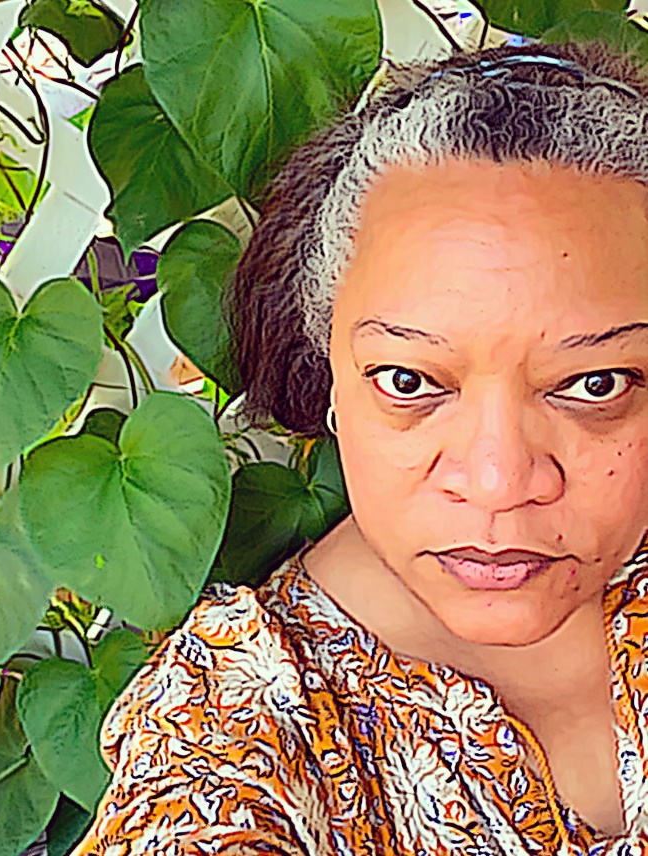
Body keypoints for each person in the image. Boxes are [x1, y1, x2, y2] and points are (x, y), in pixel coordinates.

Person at [70, 38, 648, 856]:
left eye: (594, 384)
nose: (495, 483)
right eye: (410, 381)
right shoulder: (234, 723)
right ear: (329, 376)